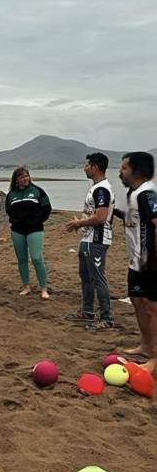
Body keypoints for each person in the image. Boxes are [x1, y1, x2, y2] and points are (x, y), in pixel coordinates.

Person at [64, 153, 116, 329]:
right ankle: (87, 311)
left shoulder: (102, 189)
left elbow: (101, 218)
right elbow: (93, 214)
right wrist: (81, 222)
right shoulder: (96, 188)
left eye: (86, 165)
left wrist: (79, 223)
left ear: (95, 167)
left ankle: (106, 318)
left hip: (97, 240)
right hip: (87, 239)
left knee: (97, 278)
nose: (84, 168)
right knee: (85, 276)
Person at [117, 152, 157, 375]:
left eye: (124, 168)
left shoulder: (147, 194)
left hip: (150, 262)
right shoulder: (133, 193)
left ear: (137, 171)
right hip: (135, 261)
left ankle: (154, 358)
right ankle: (146, 345)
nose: (120, 172)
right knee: (137, 301)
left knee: (152, 308)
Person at [5, 167, 51, 299]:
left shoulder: (37, 191)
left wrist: (37, 220)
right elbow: (8, 210)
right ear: (16, 180)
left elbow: (47, 208)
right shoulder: (11, 195)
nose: (25, 179)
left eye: (26, 176)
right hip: (17, 230)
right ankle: (26, 286)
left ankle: (43, 288)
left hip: (34, 229)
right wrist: (16, 220)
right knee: (22, 259)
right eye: (22, 177)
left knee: (36, 258)